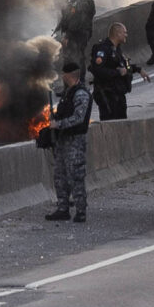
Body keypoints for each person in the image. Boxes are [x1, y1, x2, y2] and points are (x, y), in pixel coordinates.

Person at [45, 63, 93, 222]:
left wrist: (59, 124)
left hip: (75, 142)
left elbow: (78, 118)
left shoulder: (80, 94)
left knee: (75, 176)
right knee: (60, 176)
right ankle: (62, 208)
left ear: (68, 75)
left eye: (63, 74)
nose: (62, 77)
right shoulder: (68, 93)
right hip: (63, 140)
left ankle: (81, 211)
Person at [89, 22, 149, 120]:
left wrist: (138, 69)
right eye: (124, 32)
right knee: (110, 124)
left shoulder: (116, 48)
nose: (126, 35)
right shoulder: (103, 49)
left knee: (122, 122)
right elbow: (97, 70)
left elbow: (123, 66)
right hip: (107, 94)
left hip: (118, 93)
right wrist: (117, 73)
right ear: (118, 34)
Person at [54, 0, 96, 73]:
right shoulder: (77, 0)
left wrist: (67, 35)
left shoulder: (83, 2)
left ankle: (78, 82)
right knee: (74, 58)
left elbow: (77, 21)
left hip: (77, 35)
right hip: (80, 34)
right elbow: (66, 17)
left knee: (76, 58)